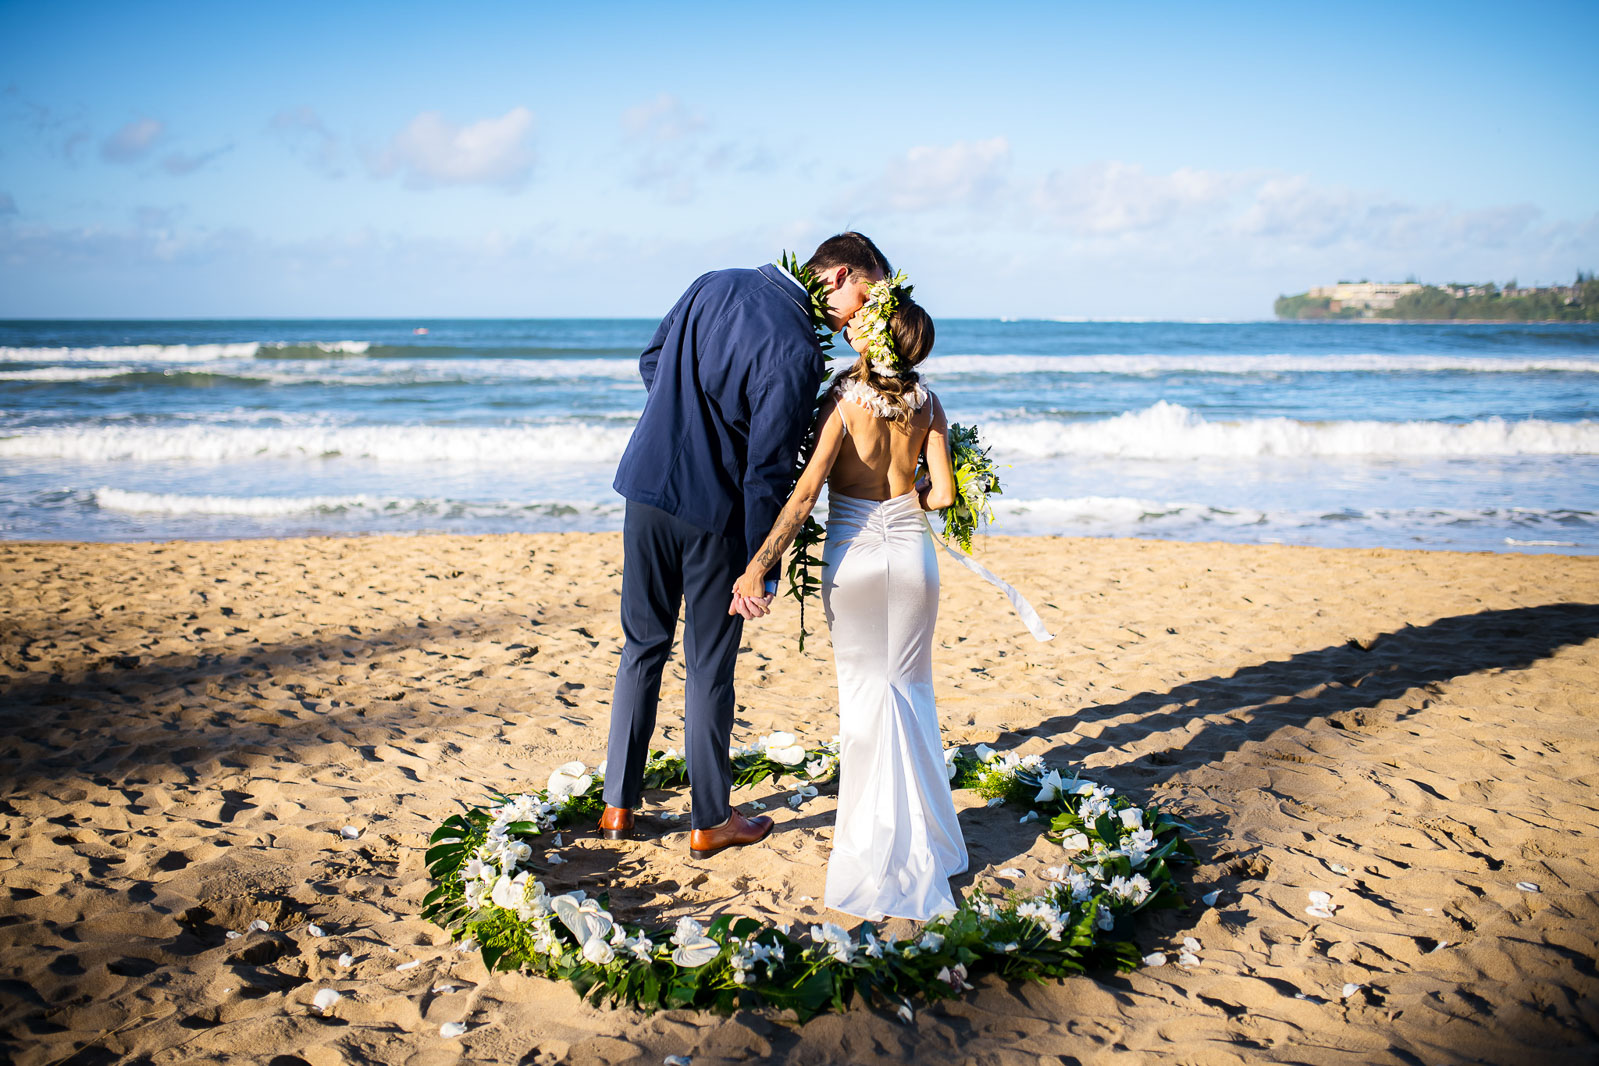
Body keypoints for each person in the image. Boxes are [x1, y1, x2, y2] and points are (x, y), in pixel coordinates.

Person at [600, 233, 891, 860]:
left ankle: (617, 805)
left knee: (641, 646)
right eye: (865, 299)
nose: (858, 321)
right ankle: (710, 818)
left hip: (646, 491)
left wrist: (681, 422)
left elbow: (652, 361)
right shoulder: (796, 349)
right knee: (708, 665)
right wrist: (764, 563)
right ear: (839, 276)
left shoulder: (715, 281)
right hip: (715, 516)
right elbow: (765, 470)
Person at [730, 281, 968, 921]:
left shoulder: (842, 400)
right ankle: (934, 845)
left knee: (867, 699)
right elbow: (942, 497)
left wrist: (758, 566)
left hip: (858, 559)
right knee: (911, 691)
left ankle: (877, 852)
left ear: (874, 338)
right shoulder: (929, 404)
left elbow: (806, 496)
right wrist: (910, 485)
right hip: (913, 557)